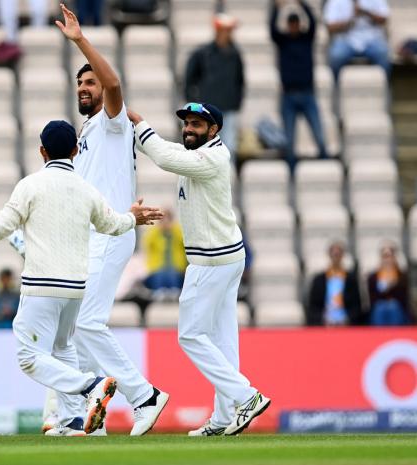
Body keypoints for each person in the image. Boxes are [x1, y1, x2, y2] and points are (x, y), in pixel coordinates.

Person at [0, 120, 164, 436]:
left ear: (42, 151)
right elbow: (111, 225)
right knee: (63, 348)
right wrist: (132, 218)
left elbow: (5, 223)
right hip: (75, 290)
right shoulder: (87, 189)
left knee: (29, 357)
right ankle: (72, 420)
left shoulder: (30, 185)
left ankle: (91, 385)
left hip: (42, 285)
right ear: (74, 151)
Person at [40, 3, 169, 437]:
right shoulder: (87, 134)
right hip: (90, 238)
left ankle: (145, 395)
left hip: (114, 234)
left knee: (89, 324)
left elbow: (114, 82)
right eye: (80, 82)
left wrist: (80, 41)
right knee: (75, 332)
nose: (85, 86)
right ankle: (83, 420)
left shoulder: (113, 121)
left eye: (89, 81)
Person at [128, 101, 271, 437]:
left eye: (197, 125)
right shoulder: (199, 153)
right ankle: (223, 418)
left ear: (214, 130)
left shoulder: (213, 157)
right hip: (225, 257)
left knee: (190, 335)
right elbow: (169, 152)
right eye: (187, 123)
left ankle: (247, 396)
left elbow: (164, 157)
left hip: (211, 260)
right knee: (223, 340)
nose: (189, 129)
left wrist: (139, 125)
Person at [270, 0, 329, 173]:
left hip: (307, 93)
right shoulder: (283, 42)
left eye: (296, 23)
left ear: (299, 24)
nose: (294, 26)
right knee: (289, 138)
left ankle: (325, 162)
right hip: (288, 95)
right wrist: (276, 8)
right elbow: (272, 29)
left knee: (318, 133)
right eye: (291, 24)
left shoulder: (306, 39)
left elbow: (313, 22)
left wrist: (301, 3)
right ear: (288, 25)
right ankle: (291, 169)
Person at [184, 14, 244, 158]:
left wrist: (236, 102)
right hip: (208, 110)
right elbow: (189, 79)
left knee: (229, 146)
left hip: (228, 108)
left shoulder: (235, 54)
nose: (229, 34)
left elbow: (239, 80)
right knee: (206, 147)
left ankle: (226, 179)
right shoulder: (203, 53)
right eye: (226, 30)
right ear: (218, 31)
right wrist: (194, 103)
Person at [323, 0, 391, 82]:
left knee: (382, 52)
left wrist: (365, 12)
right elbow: (330, 27)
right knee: (337, 55)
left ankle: (386, 88)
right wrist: (351, 20)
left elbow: (384, 19)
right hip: (345, 39)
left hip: (371, 39)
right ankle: (335, 88)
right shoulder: (335, 1)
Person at [306, 240, 363, 326]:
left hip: (346, 321)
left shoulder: (351, 279)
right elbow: (313, 305)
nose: (336, 257)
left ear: (342, 256)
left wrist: (348, 319)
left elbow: (356, 305)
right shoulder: (319, 280)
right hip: (325, 321)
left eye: (338, 254)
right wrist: (322, 319)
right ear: (329, 255)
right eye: (334, 254)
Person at [141, 208, 187, 301]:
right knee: (160, 275)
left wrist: (173, 229)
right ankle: (159, 292)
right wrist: (158, 229)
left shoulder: (177, 231)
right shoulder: (155, 232)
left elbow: (184, 241)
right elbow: (146, 243)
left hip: (176, 268)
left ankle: (174, 291)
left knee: (173, 275)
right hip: (157, 268)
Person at [367, 242, 411, 326]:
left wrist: (394, 285)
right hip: (379, 306)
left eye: (390, 256)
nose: (388, 259)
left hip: (397, 307)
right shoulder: (374, 276)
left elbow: (404, 298)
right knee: (380, 307)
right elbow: (372, 298)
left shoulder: (401, 276)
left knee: (393, 306)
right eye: (385, 256)